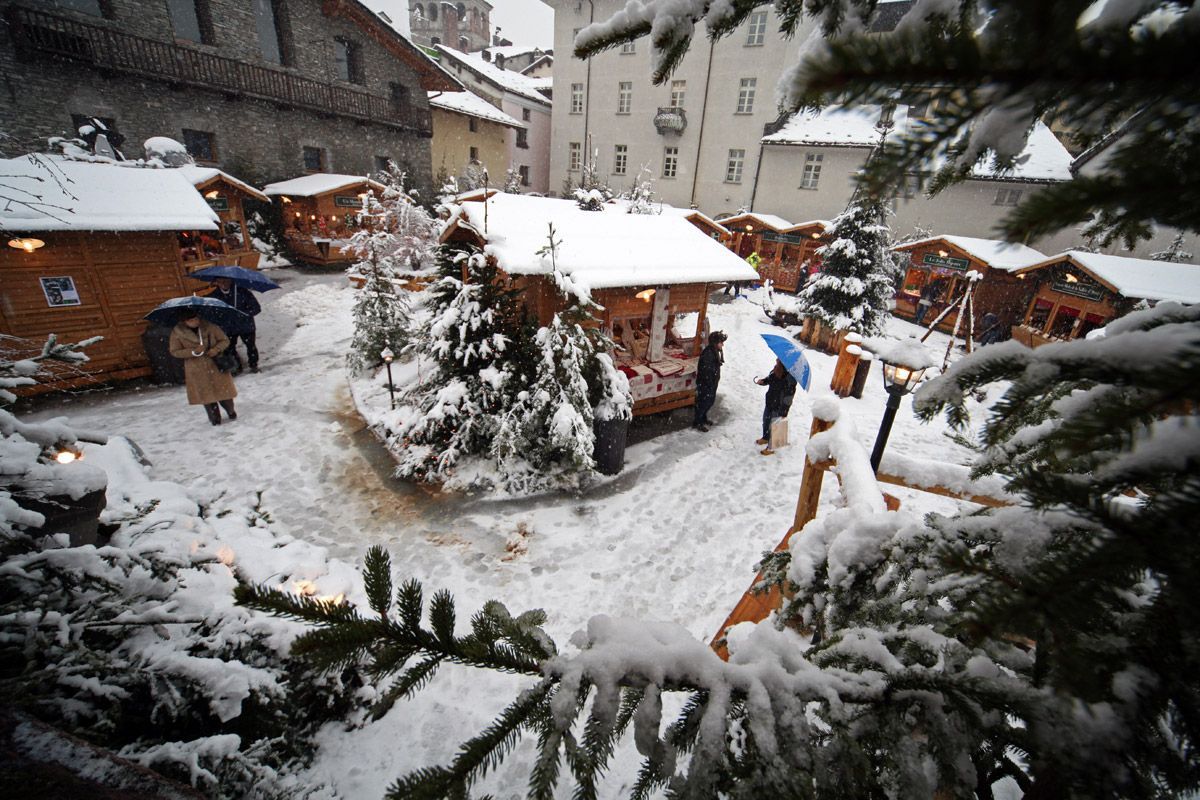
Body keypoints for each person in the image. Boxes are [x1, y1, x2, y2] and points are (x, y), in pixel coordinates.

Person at [168, 311, 238, 426]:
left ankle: (230, 410)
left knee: (224, 392)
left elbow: (224, 340)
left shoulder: (210, 327)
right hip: (196, 368)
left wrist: (216, 349)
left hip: (215, 364)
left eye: (196, 319)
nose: (195, 322)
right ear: (185, 322)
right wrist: (193, 352)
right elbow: (174, 351)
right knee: (206, 395)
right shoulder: (177, 333)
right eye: (191, 320)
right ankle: (215, 418)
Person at [209, 277, 262, 373]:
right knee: (229, 348)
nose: (223, 283)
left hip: (245, 325)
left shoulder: (242, 292)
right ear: (216, 283)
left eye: (226, 281)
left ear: (231, 281)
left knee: (251, 346)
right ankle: (237, 366)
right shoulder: (214, 296)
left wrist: (245, 313)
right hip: (228, 327)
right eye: (220, 281)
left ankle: (253, 365)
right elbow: (212, 314)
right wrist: (221, 317)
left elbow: (256, 308)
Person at [755, 359, 798, 455]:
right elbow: (769, 379)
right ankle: (765, 438)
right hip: (770, 402)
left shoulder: (790, 378)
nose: (776, 362)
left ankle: (771, 448)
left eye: (778, 362)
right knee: (766, 421)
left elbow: (789, 397)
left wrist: (784, 412)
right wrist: (763, 381)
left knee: (777, 426)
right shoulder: (775, 371)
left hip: (779, 406)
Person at [693, 330, 726, 432]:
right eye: (721, 342)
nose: (723, 345)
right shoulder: (708, 354)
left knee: (709, 402)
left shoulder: (715, 351)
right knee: (703, 402)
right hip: (706, 384)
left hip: (711, 383)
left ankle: (703, 418)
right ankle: (698, 422)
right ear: (715, 343)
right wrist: (709, 383)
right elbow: (706, 371)